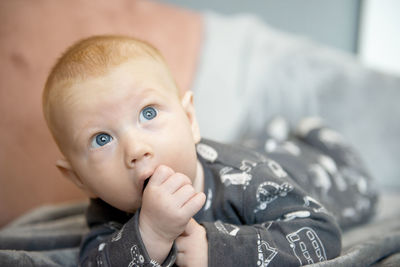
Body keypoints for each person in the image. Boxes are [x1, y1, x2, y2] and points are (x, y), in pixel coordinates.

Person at [42, 35, 364, 267]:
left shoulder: (244, 177)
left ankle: (311, 134)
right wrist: (150, 234)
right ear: (79, 178)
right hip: (253, 154)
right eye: (101, 139)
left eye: (148, 114)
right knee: (261, 146)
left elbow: (321, 233)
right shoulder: (107, 209)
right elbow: (96, 261)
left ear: (190, 119)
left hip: (316, 176)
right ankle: (273, 136)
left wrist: (216, 250)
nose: (136, 150)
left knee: (353, 184)